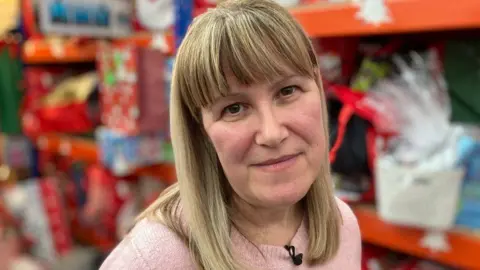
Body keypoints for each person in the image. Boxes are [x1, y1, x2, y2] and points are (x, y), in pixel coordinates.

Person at [100, 0, 361, 269]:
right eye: (234, 108)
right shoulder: (153, 258)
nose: (271, 133)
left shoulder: (342, 224)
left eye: (287, 91)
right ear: (200, 129)